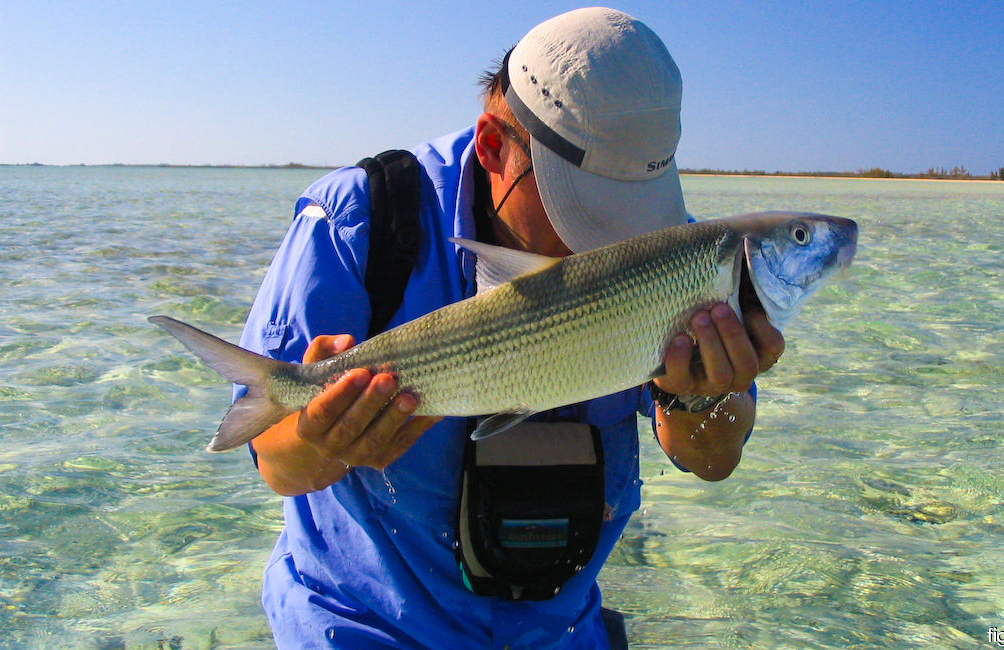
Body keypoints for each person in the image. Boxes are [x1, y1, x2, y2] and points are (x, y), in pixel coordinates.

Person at [237, 7, 784, 649]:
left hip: (560, 631)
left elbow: (711, 459)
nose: (605, 240)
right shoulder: (357, 222)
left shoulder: (674, 252)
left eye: (623, 209)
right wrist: (321, 436)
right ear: (495, 145)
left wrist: (701, 397)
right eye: (578, 204)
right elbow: (274, 464)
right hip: (361, 629)